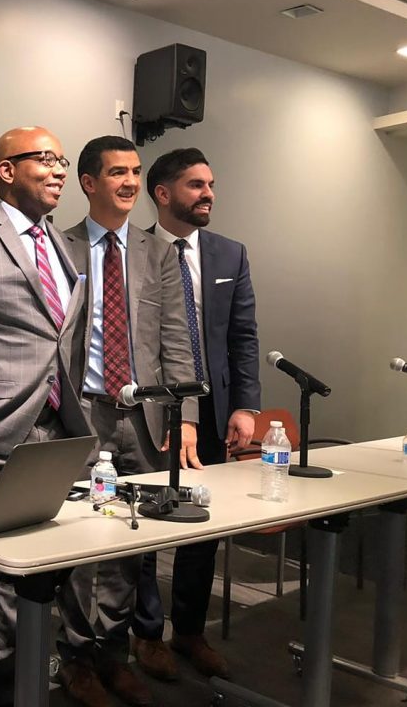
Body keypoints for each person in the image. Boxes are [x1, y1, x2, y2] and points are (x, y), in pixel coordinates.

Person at [0, 126, 92, 707]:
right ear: (6, 170)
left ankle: (9, 677)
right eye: (46, 159)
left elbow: (59, 337)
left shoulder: (62, 245)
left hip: (52, 428)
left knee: (31, 566)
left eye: (63, 161)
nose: (59, 171)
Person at [56, 135, 198, 707]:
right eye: (118, 172)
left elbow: (176, 339)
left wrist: (184, 416)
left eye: (135, 172)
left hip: (143, 416)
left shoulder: (156, 252)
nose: (130, 183)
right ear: (89, 182)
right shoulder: (60, 245)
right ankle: (74, 659)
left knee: (131, 541)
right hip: (82, 412)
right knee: (77, 537)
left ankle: (113, 655)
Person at [130, 147, 261, 682]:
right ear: (163, 194)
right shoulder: (132, 250)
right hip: (150, 411)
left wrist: (246, 405)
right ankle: (145, 633)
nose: (209, 194)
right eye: (196, 185)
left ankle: (188, 630)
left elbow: (243, 336)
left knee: (201, 522)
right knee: (143, 522)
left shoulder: (230, 254)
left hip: (211, 410)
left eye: (211, 184)